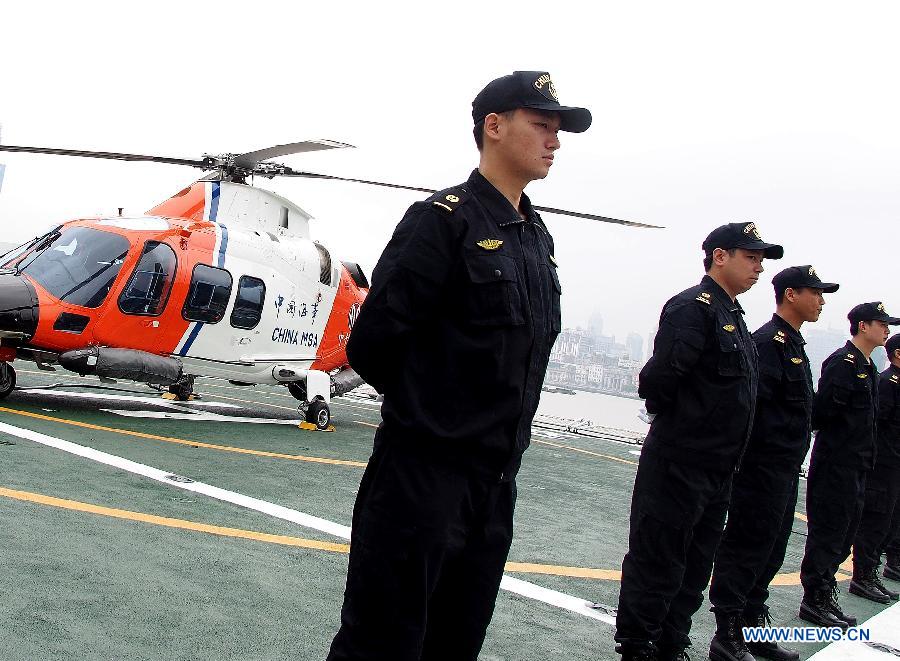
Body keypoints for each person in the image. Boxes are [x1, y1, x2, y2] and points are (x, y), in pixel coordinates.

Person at [326, 71, 592, 661]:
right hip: (423, 477)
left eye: (558, 130)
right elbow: (373, 344)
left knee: (456, 642)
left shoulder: (533, 236)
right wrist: (436, 419)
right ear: (493, 127)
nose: (555, 141)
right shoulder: (441, 221)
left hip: (495, 485)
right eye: (542, 125)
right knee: (383, 643)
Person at [615, 222, 783, 661]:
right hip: (680, 463)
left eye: (761, 259)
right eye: (751, 257)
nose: (759, 267)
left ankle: (671, 643)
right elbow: (659, 379)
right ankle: (639, 646)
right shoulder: (694, 308)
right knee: (659, 558)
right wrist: (687, 430)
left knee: (694, 566)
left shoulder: (733, 317)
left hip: (718, 470)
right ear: (719, 256)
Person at [707, 266, 838, 661]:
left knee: (771, 550)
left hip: (783, 471)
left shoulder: (794, 344)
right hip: (759, 470)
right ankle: (726, 636)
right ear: (791, 295)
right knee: (746, 547)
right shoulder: (767, 343)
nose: (821, 301)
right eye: (815, 293)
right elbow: (751, 409)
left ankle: (752, 627)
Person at [798, 302, 900, 628]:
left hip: (858, 465)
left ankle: (825, 596)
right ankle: (814, 600)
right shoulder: (843, 363)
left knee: (843, 534)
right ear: (862, 325)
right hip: (836, 463)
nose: (887, 329)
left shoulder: (867, 367)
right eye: (881, 323)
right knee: (828, 533)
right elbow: (824, 413)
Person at [849, 332, 900, 602]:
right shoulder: (888, 382)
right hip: (884, 464)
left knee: (891, 520)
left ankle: (876, 571)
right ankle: (863, 576)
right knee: (875, 520)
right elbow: (878, 425)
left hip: (895, 465)